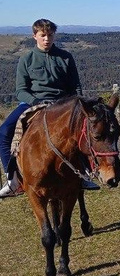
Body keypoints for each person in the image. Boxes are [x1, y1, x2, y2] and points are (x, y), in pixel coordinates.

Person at [0, 19, 100, 197]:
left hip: (63, 103)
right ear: (34, 36)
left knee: (83, 131)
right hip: (32, 103)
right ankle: (13, 179)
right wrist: (35, 101)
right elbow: (21, 90)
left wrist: (73, 102)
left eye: (50, 35)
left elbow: (75, 87)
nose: (47, 39)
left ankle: (83, 174)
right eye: (43, 35)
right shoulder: (26, 59)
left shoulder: (66, 57)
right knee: (4, 131)